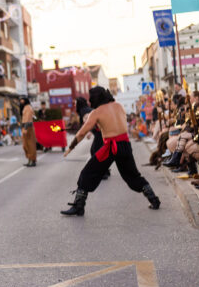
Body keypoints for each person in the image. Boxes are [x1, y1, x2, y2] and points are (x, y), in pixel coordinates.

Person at [61, 86, 161, 216]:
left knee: (87, 173)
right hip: (125, 145)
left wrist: (70, 147)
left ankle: (79, 206)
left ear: (95, 99)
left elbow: (82, 133)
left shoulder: (96, 112)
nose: (90, 102)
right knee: (133, 175)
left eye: (91, 99)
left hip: (110, 147)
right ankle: (154, 199)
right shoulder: (119, 106)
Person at [76, 96, 110, 180]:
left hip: (100, 131)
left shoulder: (84, 111)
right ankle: (105, 171)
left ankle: (103, 173)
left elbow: (91, 121)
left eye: (75, 103)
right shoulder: (87, 109)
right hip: (102, 130)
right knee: (95, 151)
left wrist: (90, 132)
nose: (74, 105)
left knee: (97, 152)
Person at [20, 98, 36, 167]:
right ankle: (29, 159)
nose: (21, 101)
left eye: (22, 100)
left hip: (28, 127)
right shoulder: (25, 107)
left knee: (30, 145)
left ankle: (32, 160)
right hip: (24, 127)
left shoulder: (28, 107)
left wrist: (25, 128)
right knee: (25, 145)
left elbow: (28, 119)